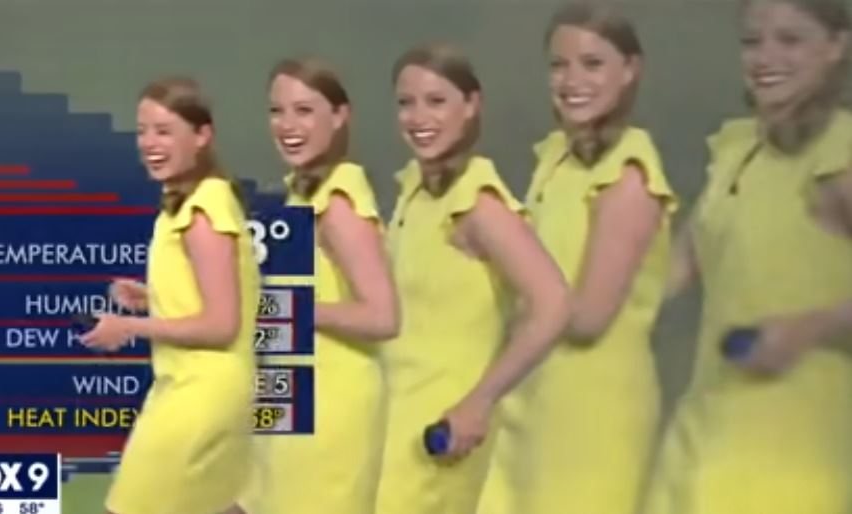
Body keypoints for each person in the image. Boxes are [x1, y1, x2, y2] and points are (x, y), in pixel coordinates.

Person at [642, 1, 852, 512]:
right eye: (752, 41)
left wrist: (808, 329)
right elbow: (668, 275)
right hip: (703, 429)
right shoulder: (736, 151)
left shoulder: (841, 154)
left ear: (836, 47)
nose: (765, 57)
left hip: (798, 443)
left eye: (790, 40)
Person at [477, 3, 677, 513]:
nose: (571, 81)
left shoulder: (629, 177)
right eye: (559, 65)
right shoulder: (556, 160)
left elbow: (588, 318)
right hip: (527, 397)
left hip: (591, 411)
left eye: (592, 64)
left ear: (629, 70)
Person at [374, 43, 570, 514]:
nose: (419, 117)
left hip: (439, 432)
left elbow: (553, 304)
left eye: (436, 101)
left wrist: (479, 402)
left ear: (471, 105)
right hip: (387, 422)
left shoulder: (479, 206)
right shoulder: (415, 196)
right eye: (407, 103)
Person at [80, 76, 259, 514]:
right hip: (206, 389)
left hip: (199, 394)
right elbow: (212, 297)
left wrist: (129, 326)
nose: (149, 143)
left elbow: (222, 324)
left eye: (164, 131)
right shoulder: (191, 202)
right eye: (143, 131)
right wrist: (155, 297)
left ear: (201, 136)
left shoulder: (202, 211)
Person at [233, 57, 398, 514]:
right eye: (277, 111)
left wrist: (288, 306)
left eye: (304, 111)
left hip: (329, 406)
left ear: (340, 116)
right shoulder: (300, 197)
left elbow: (383, 316)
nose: (287, 125)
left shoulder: (339, 205)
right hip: (289, 398)